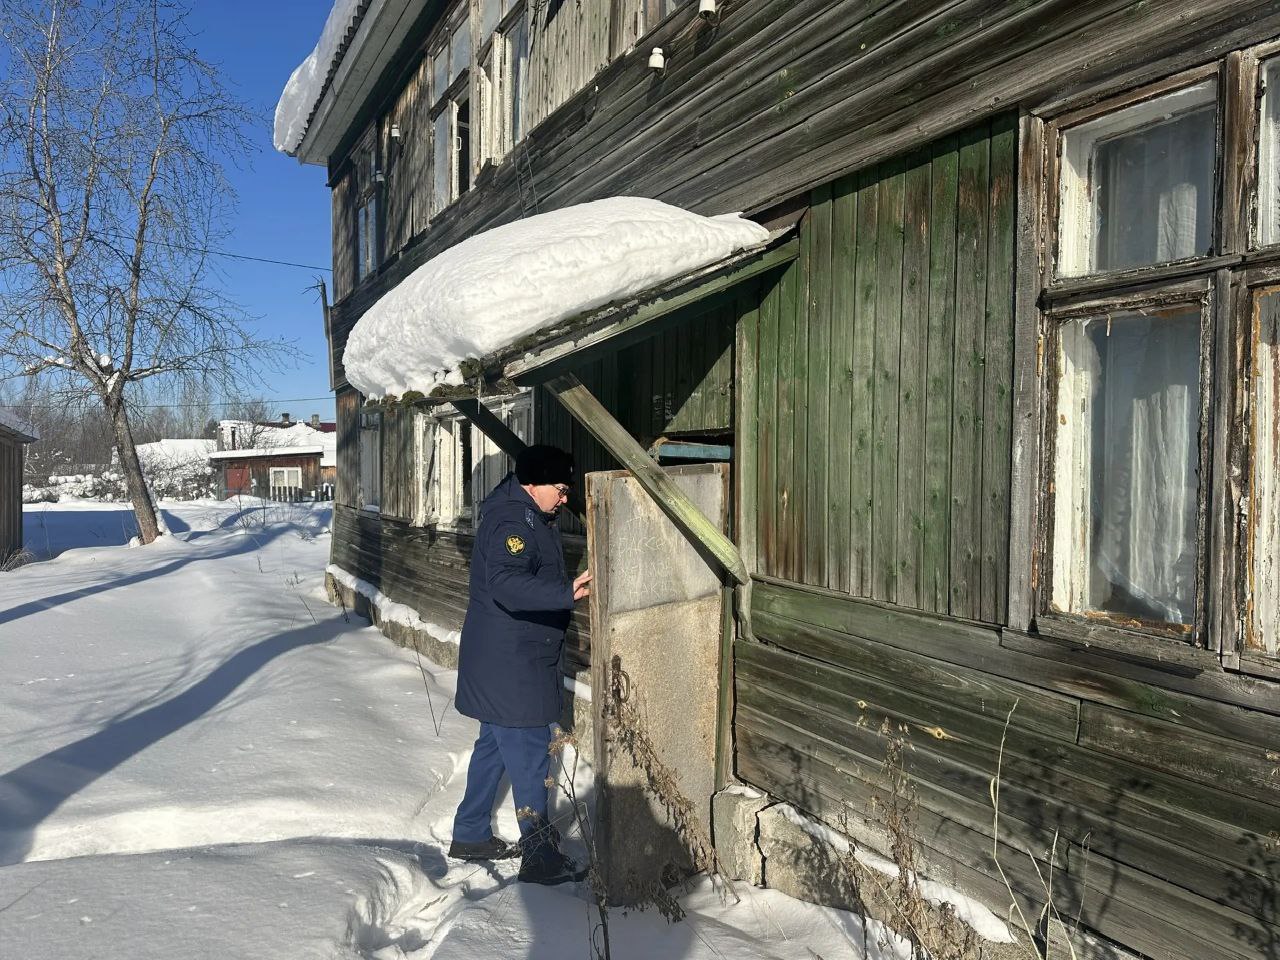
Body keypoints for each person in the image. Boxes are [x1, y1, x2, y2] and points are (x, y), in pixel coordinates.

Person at [448, 444, 592, 885]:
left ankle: (471, 832)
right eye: (561, 488)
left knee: (492, 748)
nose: (565, 498)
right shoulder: (513, 521)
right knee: (530, 757)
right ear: (534, 483)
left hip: (503, 659)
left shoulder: (528, 513)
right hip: (513, 665)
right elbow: (507, 584)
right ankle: (540, 857)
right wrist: (567, 593)